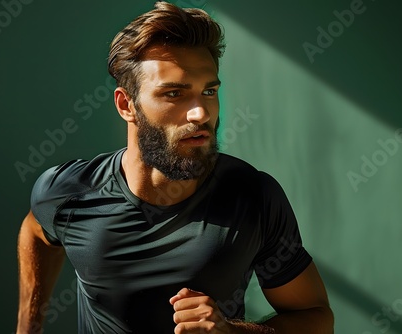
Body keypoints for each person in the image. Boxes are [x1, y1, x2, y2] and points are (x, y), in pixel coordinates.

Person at [16, 2, 334, 333]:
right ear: (127, 105)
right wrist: (28, 326)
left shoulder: (254, 197)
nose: (201, 113)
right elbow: (36, 231)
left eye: (209, 91)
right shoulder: (69, 192)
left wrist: (235, 332)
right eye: (174, 93)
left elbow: (317, 317)